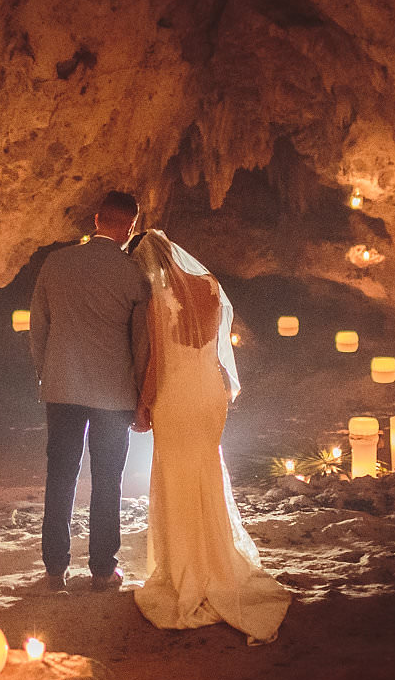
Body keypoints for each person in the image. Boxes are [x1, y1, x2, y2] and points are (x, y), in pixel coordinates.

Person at [130, 230, 289, 643]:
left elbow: (157, 364)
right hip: (209, 391)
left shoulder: (158, 301)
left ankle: (189, 569)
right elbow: (216, 345)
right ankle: (217, 562)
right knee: (205, 471)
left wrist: (143, 404)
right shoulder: (211, 286)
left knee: (177, 476)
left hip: (177, 394)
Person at [29, 191, 150, 592]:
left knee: (60, 476)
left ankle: (54, 569)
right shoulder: (131, 272)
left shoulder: (57, 263)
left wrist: (46, 374)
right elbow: (142, 339)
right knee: (107, 479)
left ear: (96, 219)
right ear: (130, 228)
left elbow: (39, 327)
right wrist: (143, 393)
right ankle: (102, 569)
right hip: (114, 392)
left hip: (62, 385)